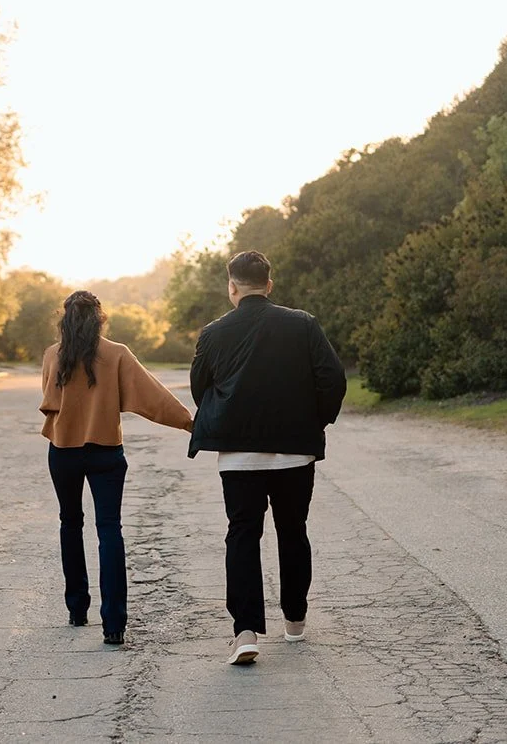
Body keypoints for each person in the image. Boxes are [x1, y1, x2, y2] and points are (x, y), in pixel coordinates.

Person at [188, 250, 347, 665]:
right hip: (295, 455)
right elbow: (333, 378)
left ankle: (245, 632)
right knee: (293, 531)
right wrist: (316, 421)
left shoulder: (213, 333)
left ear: (232, 287)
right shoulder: (303, 324)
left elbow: (199, 387)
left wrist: (225, 416)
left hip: (238, 459)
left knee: (242, 535)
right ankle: (295, 619)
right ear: (269, 285)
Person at [40, 290, 194, 646]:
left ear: (65, 319)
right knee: (110, 529)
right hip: (106, 451)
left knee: (70, 523)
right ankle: (114, 625)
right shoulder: (117, 354)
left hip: (63, 451)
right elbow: (153, 396)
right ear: (100, 318)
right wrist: (188, 422)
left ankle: (77, 609)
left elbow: (50, 403)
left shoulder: (53, 355)